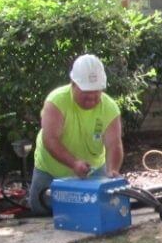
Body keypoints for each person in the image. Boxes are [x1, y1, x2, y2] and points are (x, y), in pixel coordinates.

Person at [27, 54, 126, 215]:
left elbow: (114, 144)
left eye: (96, 94)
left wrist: (112, 170)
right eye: (86, 94)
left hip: (93, 170)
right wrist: (74, 163)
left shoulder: (110, 108)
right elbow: (50, 139)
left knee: (96, 211)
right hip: (51, 171)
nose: (91, 100)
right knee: (41, 210)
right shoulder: (56, 101)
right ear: (73, 84)